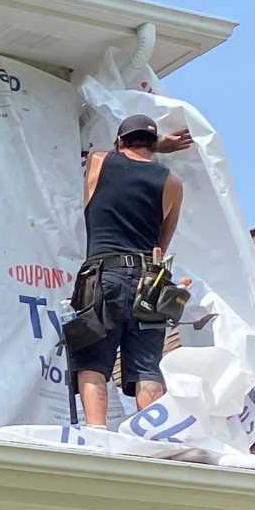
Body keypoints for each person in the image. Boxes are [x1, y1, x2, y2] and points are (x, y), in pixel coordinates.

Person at [68, 111, 191, 426]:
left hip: (102, 278)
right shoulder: (171, 183)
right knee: (147, 369)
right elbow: (160, 247)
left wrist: (157, 143)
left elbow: (109, 155)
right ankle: (154, 434)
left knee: (94, 363)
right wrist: (156, 147)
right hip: (149, 282)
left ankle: (97, 434)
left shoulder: (99, 162)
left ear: (119, 140)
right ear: (151, 143)